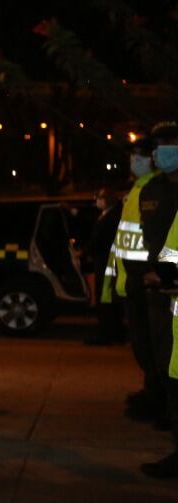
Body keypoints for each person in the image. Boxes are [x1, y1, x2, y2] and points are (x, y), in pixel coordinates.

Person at [103, 135, 165, 424]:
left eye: (140, 154)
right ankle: (151, 394)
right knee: (143, 346)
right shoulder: (139, 188)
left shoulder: (156, 189)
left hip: (150, 281)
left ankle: (158, 401)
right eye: (133, 154)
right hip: (135, 281)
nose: (135, 159)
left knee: (155, 348)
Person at [141, 122, 178, 475]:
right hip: (159, 297)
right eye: (159, 144)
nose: (163, 149)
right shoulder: (150, 189)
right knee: (169, 371)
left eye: (170, 142)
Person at [84, 187, 125, 346]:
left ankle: (106, 334)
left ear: (107, 200)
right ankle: (116, 333)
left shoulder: (112, 217)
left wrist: (85, 251)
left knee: (106, 300)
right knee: (110, 301)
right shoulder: (107, 214)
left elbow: (99, 239)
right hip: (107, 263)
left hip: (108, 263)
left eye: (100, 198)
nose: (97, 201)